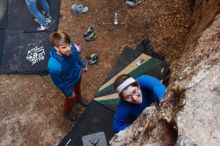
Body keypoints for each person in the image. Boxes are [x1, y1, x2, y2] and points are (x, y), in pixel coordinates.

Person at [47, 31, 88, 121]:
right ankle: (67, 111)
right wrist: (69, 93)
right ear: (56, 48)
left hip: (77, 75)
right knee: (70, 99)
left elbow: (76, 56)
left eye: (69, 44)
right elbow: (58, 82)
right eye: (64, 47)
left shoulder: (71, 46)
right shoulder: (53, 65)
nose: (69, 48)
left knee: (78, 89)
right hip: (68, 84)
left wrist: (82, 65)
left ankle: (79, 98)